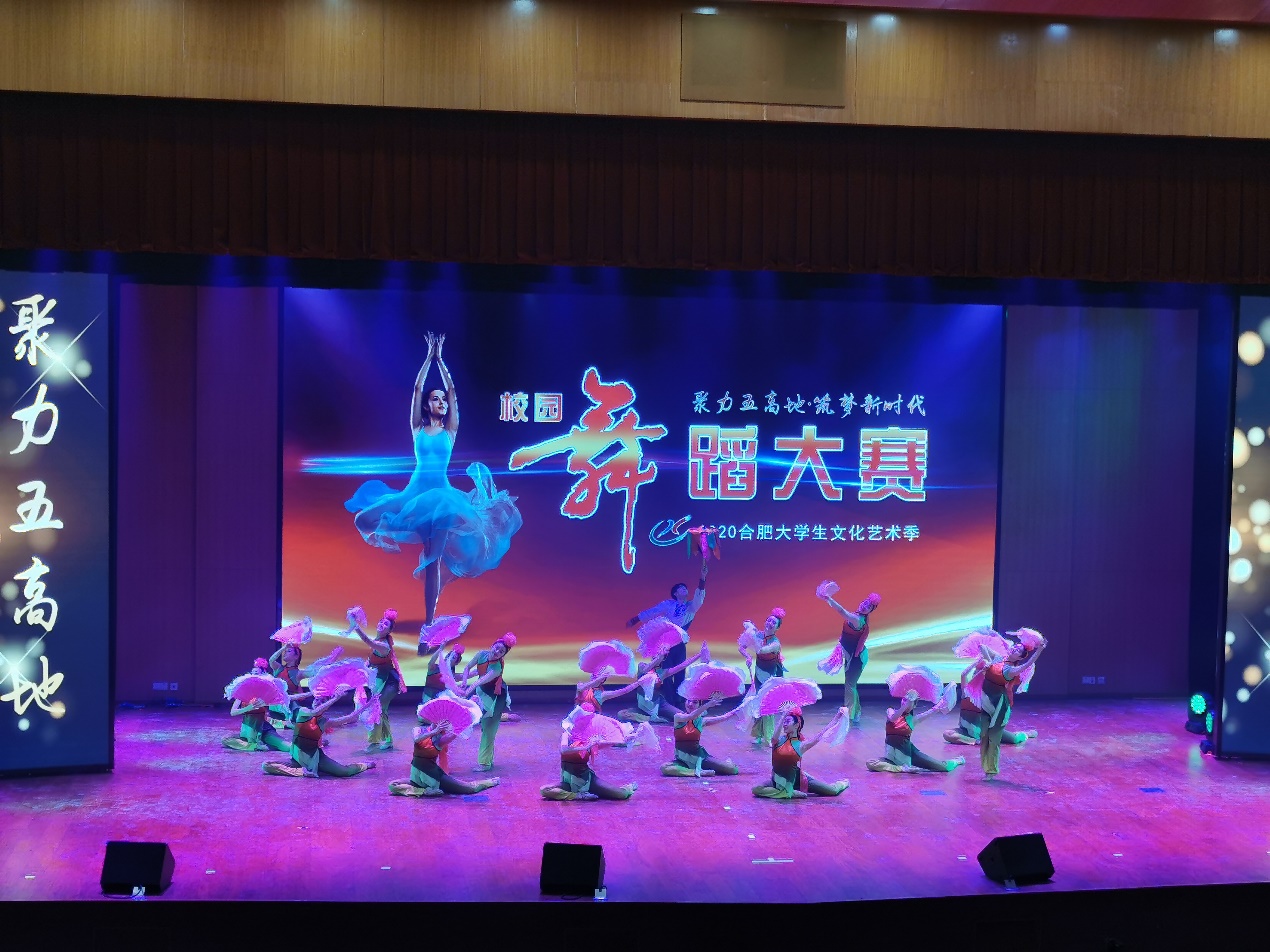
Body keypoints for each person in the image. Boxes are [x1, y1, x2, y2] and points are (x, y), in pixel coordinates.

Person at [345, 332, 521, 631]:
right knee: (363, 519)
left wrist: (441, 360)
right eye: (435, 399)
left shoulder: (450, 431)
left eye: (443, 400)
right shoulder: (417, 428)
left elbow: (452, 391)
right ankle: (399, 549)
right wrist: (428, 358)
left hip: (440, 499)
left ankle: (428, 624)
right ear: (427, 406)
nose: (441, 402)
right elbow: (416, 389)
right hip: (413, 493)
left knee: (432, 560)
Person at [625, 560, 709, 706]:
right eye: (681, 588)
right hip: (666, 643)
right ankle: (669, 700)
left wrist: (702, 578)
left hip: (680, 643)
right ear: (675, 593)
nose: (684, 589)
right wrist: (635, 619)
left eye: (685, 588)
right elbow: (653, 611)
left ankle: (679, 700)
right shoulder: (668, 604)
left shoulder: (690, 607)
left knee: (680, 671)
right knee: (666, 671)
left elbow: (699, 598)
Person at [971, 630, 1047, 780]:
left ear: (1020, 657)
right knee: (983, 736)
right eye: (1015, 646)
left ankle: (991, 771)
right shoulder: (998, 658)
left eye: (1018, 650)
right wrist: (988, 659)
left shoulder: (1011, 670)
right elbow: (982, 647)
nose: (1014, 649)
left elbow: (1029, 663)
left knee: (994, 738)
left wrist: (1039, 649)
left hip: (1000, 706)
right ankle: (988, 767)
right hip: (986, 702)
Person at [262, 691, 377, 778]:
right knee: (266, 765)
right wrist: (335, 698)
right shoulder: (303, 711)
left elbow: (350, 717)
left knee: (344, 772)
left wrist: (368, 704)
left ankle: (364, 765)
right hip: (297, 757)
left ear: (326, 706)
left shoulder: (325, 722)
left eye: (322, 701)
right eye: (316, 700)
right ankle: (302, 772)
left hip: (315, 758)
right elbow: (315, 712)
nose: (318, 702)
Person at [751, 704, 849, 800]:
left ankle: (843, 783)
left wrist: (837, 716)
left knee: (832, 791)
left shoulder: (801, 745)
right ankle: (789, 793)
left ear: (796, 725)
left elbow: (821, 734)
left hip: (798, 779)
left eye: (788, 721)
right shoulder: (777, 740)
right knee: (756, 789)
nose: (785, 724)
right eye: (784, 721)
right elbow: (775, 735)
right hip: (777, 781)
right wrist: (784, 715)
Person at [540, 712, 638, 802]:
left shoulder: (588, 738)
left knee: (622, 795)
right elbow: (564, 750)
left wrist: (623, 740)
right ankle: (577, 795)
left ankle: (627, 788)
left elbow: (606, 743)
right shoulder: (567, 735)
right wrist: (586, 747)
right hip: (569, 781)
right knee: (544, 790)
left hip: (586, 780)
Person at [388, 719, 500, 797]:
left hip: (433, 777)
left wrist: (464, 721)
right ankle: (423, 791)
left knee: (469, 788)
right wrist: (433, 731)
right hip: (416, 777)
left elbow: (456, 732)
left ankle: (490, 782)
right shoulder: (418, 730)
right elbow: (417, 739)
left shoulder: (440, 740)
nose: (438, 722)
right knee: (393, 785)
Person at [816, 588, 879, 725]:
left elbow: (841, 611)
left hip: (857, 658)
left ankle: (849, 715)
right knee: (851, 685)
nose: (864, 606)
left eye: (868, 606)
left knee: (850, 685)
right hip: (852, 655)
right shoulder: (857, 616)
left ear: (870, 611)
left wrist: (828, 598)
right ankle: (855, 712)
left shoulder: (857, 619)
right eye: (865, 602)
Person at [866, 689, 964, 773]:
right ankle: (901, 768)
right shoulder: (891, 711)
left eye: (910, 702)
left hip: (908, 753)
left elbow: (932, 711)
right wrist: (905, 705)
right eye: (904, 699)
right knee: (870, 763)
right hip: (890, 756)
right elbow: (892, 718)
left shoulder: (913, 720)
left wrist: (940, 704)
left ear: (914, 706)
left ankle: (957, 761)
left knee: (943, 767)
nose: (906, 702)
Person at [942, 660, 1037, 747]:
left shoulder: (989, 694)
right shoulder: (966, 691)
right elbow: (963, 675)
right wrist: (977, 663)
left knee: (1015, 739)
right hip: (966, 731)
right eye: (975, 673)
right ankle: (976, 741)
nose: (976, 676)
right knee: (947, 734)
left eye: (979, 675)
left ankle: (1026, 734)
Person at [349, 608, 406, 751]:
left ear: (389, 631)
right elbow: (371, 662)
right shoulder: (378, 641)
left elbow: (366, 640)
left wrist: (355, 624)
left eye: (386, 624)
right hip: (381, 679)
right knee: (381, 709)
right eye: (381, 621)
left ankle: (374, 742)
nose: (382, 624)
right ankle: (387, 740)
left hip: (390, 682)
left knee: (376, 708)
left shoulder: (383, 645)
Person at [460, 633, 517, 771]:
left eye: (501, 652)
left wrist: (466, 691)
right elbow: (468, 668)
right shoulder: (481, 654)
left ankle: (484, 763)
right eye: (496, 648)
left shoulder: (496, 668)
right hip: (483, 692)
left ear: (503, 655)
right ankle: (488, 759)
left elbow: (480, 680)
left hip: (495, 697)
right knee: (485, 725)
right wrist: (463, 682)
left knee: (488, 730)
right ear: (492, 645)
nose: (497, 652)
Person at [615, 642, 705, 725]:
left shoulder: (663, 672)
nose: (656, 657)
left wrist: (699, 655)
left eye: (659, 656)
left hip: (659, 705)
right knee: (621, 714)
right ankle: (652, 718)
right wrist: (659, 657)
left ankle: (657, 717)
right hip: (642, 707)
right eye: (655, 655)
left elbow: (682, 666)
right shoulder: (642, 666)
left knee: (684, 718)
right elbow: (646, 670)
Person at [662, 691, 743, 777]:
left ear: (699, 705)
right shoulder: (678, 717)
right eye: (688, 701)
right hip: (682, 760)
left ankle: (701, 769)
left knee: (733, 769)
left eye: (695, 702)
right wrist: (708, 705)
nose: (690, 704)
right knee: (665, 768)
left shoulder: (702, 721)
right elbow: (690, 717)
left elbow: (724, 717)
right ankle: (697, 772)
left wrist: (741, 707)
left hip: (700, 758)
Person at [222, 658, 295, 753]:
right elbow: (233, 712)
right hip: (249, 730)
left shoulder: (266, 693)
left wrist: (265, 703)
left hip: (264, 729)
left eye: (256, 673)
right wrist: (249, 708)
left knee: (287, 747)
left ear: (262, 675)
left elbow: (281, 700)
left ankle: (255, 744)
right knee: (225, 739)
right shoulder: (242, 692)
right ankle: (255, 745)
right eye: (252, 673)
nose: (253, 675)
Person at [738, 608, 786, 748]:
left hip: (772, 676)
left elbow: (760, 650)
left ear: (777, 628)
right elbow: (742, 647)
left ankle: (769, 736)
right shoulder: (758, 635)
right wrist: (748, 656)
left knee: (769, 706)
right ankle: (758, 735)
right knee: (758, 703)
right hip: (759, 673)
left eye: (774, 622)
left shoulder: (775, 643)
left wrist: (752, 633)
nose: (770, 623)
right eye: (769, 620)